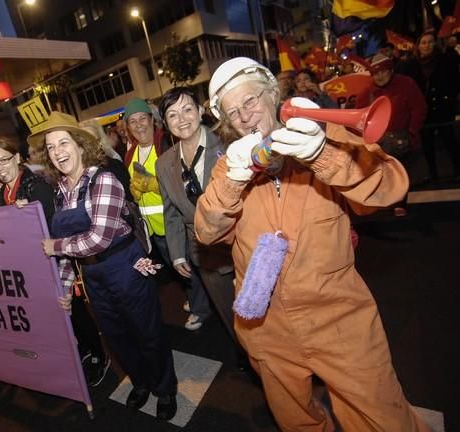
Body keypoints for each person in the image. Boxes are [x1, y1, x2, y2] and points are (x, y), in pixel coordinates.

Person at [197, 57, 429, 431]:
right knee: (297, 422)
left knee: (384, 417)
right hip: (266, 329)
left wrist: (323, 155)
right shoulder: (229, 167)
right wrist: (231, 183)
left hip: (338, 319)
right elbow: (207, 233)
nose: (244, 117)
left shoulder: (324, 138)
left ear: (273, 95)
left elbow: (389, 188)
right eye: (233, 112)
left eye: (251, 101)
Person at [31, 112, 178, 421]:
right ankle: (140, 383)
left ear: (81, 145)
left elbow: (97, 239)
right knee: (117, 336)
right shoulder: (61, 191)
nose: (58, 152)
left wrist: (53, 247)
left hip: (125, 266)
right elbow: (71, 243)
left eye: (63, 143)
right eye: (51, 146)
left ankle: (164, 389)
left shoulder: (104, 179)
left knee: (147, 332)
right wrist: (66, 285)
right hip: (93, 274)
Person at [0, 135, 108, 387]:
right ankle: (82, 347)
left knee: (75, 309)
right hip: (33, 263)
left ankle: (98, 354)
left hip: (56, 260)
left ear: (17, 158)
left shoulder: (34, 185)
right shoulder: (3, 191)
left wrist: (27, 218)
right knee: (61, 313)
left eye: (4, 160)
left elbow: (54, 228)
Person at [155, 87, 231, 332]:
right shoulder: (164, 163)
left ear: (200, 111)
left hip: (241, 243)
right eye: (173, 115)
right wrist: (177, 254)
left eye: (188, 109)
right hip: (203, 251)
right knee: (229, 314)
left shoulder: (228, 143)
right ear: (166, 124)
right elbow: (171, 212)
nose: (182, 119)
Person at [368, 52, 427, 216]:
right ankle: (386, 200)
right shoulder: (369, 90)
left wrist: (412, 131)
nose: (379, 76)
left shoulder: (406, 84)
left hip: (403, 137)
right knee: (383, 172)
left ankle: (400, 202)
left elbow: (419, 108)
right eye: (375, 73)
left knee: (401, 171)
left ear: (390, 70)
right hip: (380, 141)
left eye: (382, 71)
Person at [399, 29, 460, 183]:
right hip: (423, 110)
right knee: (427, 143)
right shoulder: (412, 65)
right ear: (418, 46)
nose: (427, 45)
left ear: (435, 44)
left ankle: (457, 169)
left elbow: (455, 80)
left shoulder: (445, 59)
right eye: (423, 42)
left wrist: (450, 98)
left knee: (449, 139)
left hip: (442, 107)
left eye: (430, 42)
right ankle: (432, 173)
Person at [123, 98, 172, 267]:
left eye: (142, 118)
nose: (139, 125)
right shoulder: (130, 155)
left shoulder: (165, 143)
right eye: (133, 121)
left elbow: (180, 183)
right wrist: (134, 195)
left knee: (192, 277)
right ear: (128, 128)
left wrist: (153, 184)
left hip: (174, 226)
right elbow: (133, 194)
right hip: (152, 232)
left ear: (152, 119)